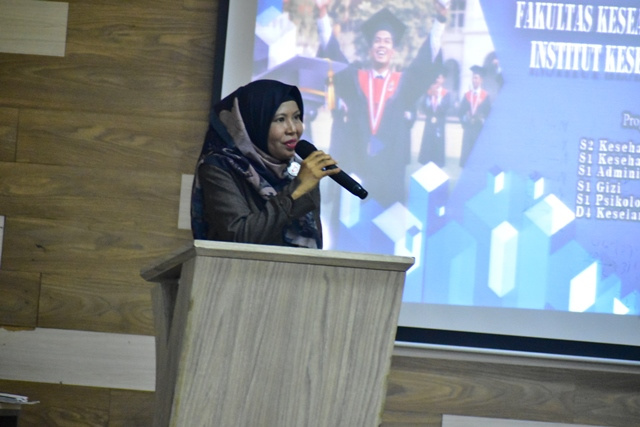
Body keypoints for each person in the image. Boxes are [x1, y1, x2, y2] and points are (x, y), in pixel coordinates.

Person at [315, 1, 448, 207]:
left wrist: (440, 18)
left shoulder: (403, 83)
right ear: (370, 49)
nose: (382, 45)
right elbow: (334, 54)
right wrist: (322, 13)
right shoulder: (356, 80)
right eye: (377, 41)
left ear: (393, 50)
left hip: (390, 173)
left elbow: (425, 60)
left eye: (387, 41)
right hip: (359, 167)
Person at [190, 79, 340, 248]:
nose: (293, 129)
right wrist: (295, 191)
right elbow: (239, 237)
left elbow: (313, 241)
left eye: (296, 117)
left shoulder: (299, 170)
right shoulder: (219, 168)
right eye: (280, 119)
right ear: (255, 124)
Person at [459, 65, 491, 167]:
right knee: (467, 157)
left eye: (476, 78)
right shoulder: (467, 95)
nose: (474, 80)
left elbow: (488, 114)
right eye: (473, 78)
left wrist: (482, 119)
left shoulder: (485, 96)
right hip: (468, 129)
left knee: (477, 157)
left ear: (481, 80)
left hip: (479, 130)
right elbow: (460, 112)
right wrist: (465, 118)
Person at [417, 68, 451, 167]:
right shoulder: (428, 92)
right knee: (427, 147)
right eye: (435, 77)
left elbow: (446, 107)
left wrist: (438, 97)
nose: (437, 80)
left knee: (438, 147)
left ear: (443, 79)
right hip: (429, 124)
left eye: (439, 78)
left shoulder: (446, 93)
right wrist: (431, 97)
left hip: (439, 123)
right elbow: (423, 106)